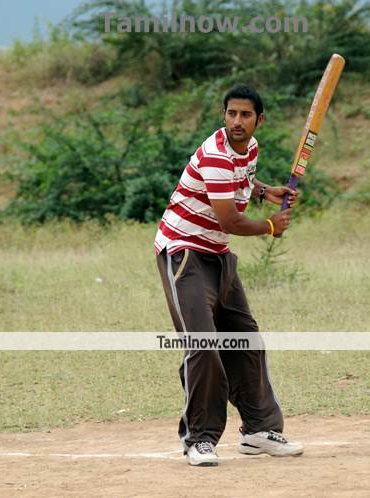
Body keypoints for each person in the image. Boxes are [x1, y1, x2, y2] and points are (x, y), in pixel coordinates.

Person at [154, 84, 304, 467]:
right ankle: (199, 439)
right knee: (203, 345)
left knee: (247, 341)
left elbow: (243, 177)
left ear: (259, 120)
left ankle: (258, 430)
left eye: (245, 115)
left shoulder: (248, 149)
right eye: (231, 114)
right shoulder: (216, 154)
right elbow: (230, 219)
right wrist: (271, 226)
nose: (237, 122)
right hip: (184, 251)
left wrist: (263, 190)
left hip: (218, 254)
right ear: (224, 116)